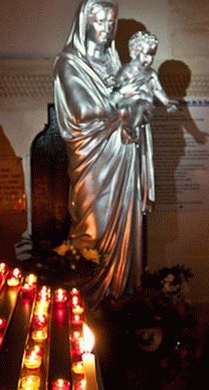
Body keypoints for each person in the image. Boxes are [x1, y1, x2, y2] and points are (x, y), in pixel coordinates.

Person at [54, 0, 155, 302]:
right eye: (100, 21)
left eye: (112, 22)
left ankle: (123, 293)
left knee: (127, 222)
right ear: (84, 23)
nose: (106, 29)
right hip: (93, 161)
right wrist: (125, 98)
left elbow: (142, 105)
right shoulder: (69, 63)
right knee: (92, 228)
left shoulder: (117, 64)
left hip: (124, 158)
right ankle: (90, 299)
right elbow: (84, 110)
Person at [113, 30, 179, 144]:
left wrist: (167, 103)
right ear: (134, 52)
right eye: (146, 54)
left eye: (152, 55)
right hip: (127, 107)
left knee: (140, 104)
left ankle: (131, 130)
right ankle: (125, 133)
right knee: (122, 110)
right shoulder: (125, 71)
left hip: (145, 108)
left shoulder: (151, 73)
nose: (150, 59)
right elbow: (116, 87)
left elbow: (157, 90)